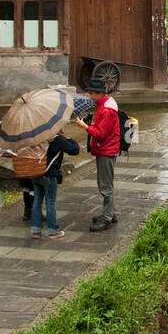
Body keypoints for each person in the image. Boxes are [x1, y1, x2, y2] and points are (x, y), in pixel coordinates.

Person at [75, 78, 120, 232]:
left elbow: (101, 134)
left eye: (92, 94)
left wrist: (85, 126)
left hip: (106, 150)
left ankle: (107, 218)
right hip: (106, 148)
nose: (90, 97)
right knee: (106, 183)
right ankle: (110, 212)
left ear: (100, 93)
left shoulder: (107, 110)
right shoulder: (103, 105)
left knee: (105, 186)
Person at [30, 130, 79, 240]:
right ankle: (52, 231)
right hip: (50, 174)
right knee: (50, 201)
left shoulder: (36, 137)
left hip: (36, 172)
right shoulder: (57, 139)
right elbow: (74, 150)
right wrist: (69, 139)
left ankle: (35, 231)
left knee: (37, 200)